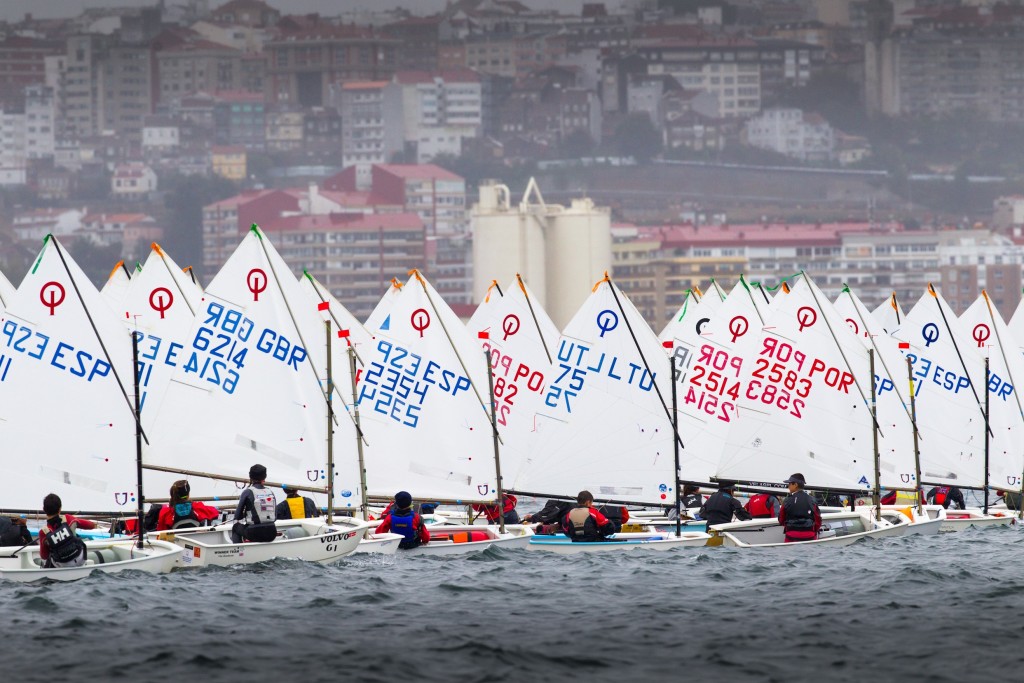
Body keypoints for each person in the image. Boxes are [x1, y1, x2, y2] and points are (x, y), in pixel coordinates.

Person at [38, 493, 96, 568]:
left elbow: (44, 556)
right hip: (80, 559)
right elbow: (91, 525)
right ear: (60, 509)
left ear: (44, 509)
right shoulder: (68, 519)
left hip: (61, 565)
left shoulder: (43, 532)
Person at [231, 464, 278, 543]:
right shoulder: (270, 492)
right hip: (272, 533)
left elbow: (237, 516)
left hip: (254, 533)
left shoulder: (248, 492)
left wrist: (245, 514)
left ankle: (239, 549)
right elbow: (275, 517)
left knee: (235, 527)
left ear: (250, 476)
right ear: (265, 477)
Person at [157, 480, 221, 531]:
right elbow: (215, 513)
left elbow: (161, 530)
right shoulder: (197, 507)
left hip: (175, 541)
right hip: (195, 540)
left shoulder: (166, 511)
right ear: (188, 494)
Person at [778, 473, 822, 543]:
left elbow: (781, 519)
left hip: (791, 537)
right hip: (809, 536)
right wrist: (813, 530)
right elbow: (818, 519)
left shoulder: (787, 500)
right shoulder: (812, 500)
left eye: (789, 484)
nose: (788, 486)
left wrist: (790, 527)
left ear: (795, 485)